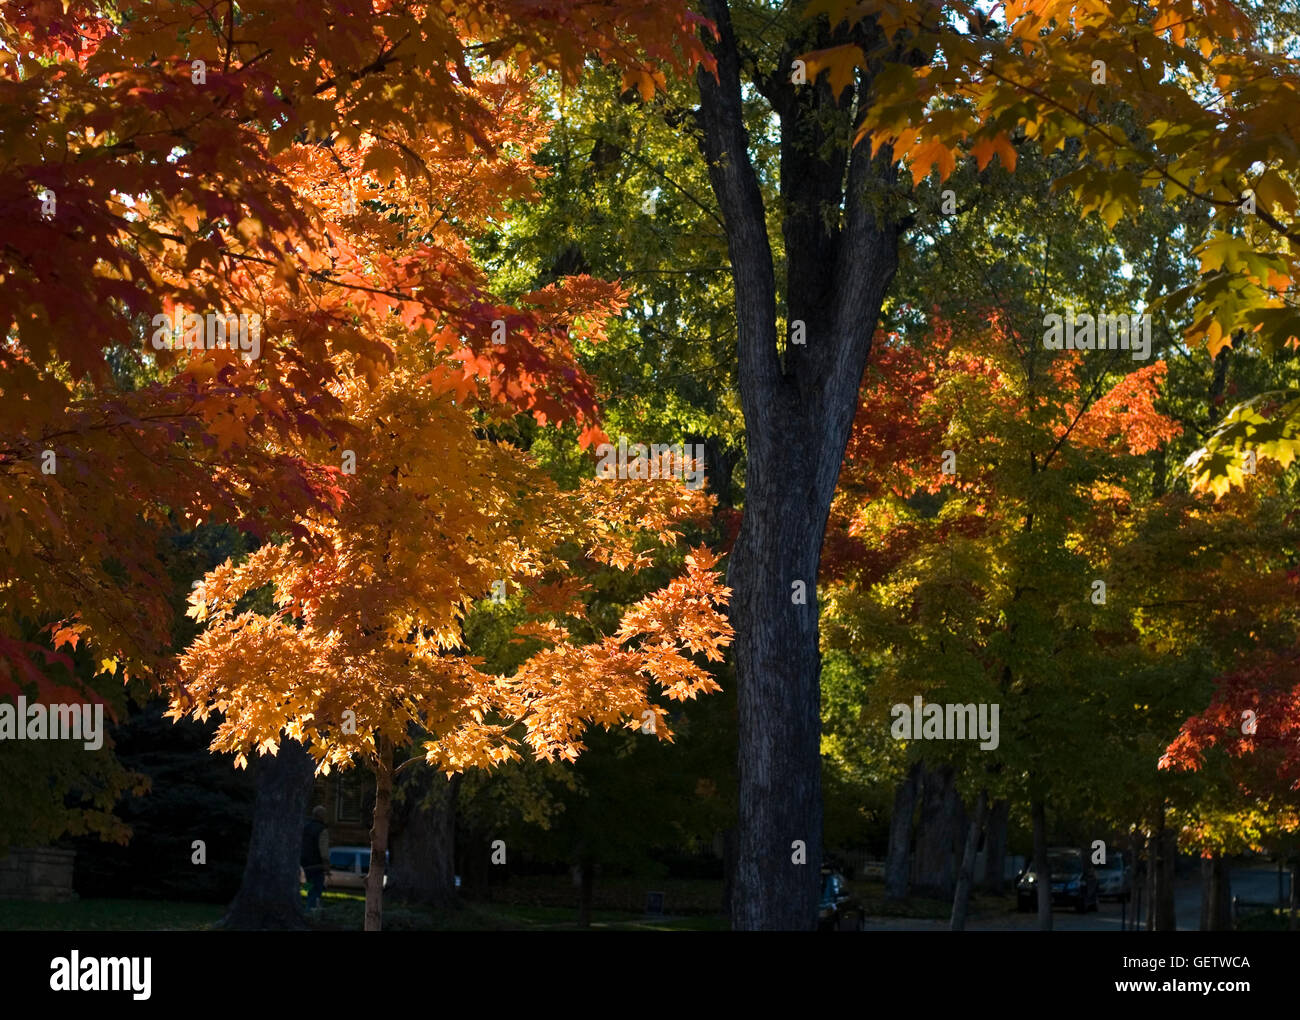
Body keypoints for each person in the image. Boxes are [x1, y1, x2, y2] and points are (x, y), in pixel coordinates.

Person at [302, 805, 329, 912]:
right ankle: (311, 913)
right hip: (317, 867)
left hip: (305, 867)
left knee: (309, 890)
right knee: (316, 891)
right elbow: (324, 851)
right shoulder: (322, 830)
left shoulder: (305, 827)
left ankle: (308, 909)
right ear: (322, 816)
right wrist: (327, 866)